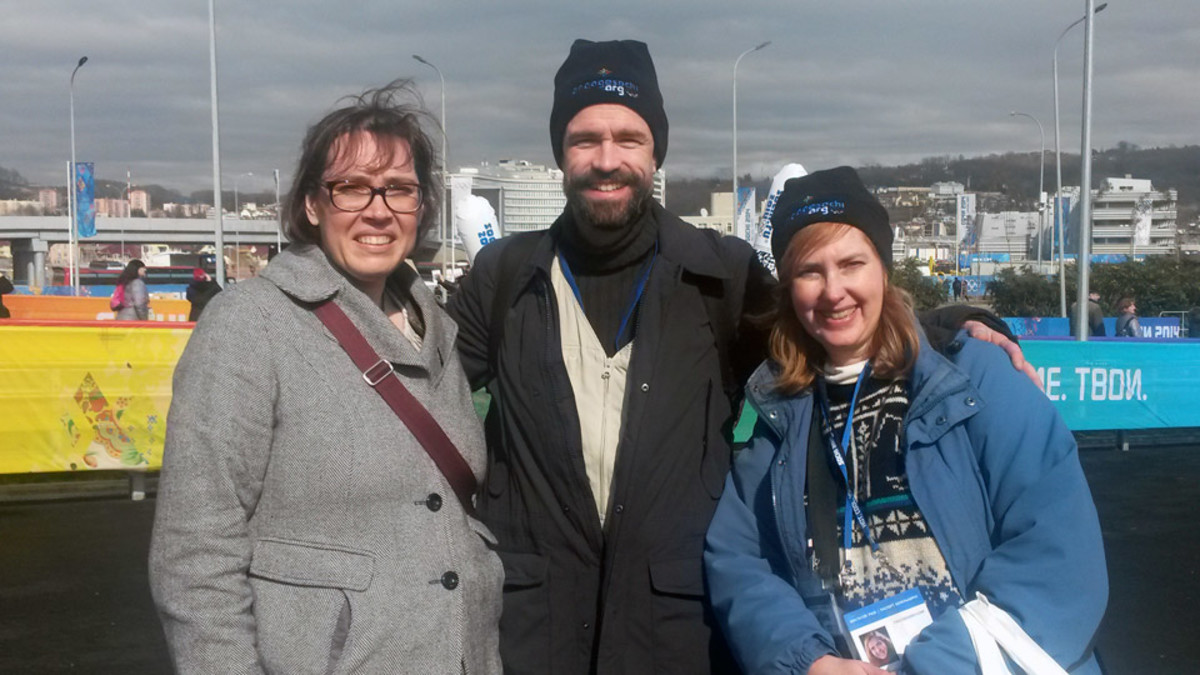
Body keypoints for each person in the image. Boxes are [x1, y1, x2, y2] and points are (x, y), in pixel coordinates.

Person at [448, 40, 1035, 675]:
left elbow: (832, 320)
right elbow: (420, 385)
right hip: (536, 636)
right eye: (585, 139)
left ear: (656, 154)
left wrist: (956, 322)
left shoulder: (719, 276)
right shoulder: (504, 276)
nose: (607, 159)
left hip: (675, 636)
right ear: (561, 152)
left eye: (629, 139)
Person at [149, 80, 503, 674]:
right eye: (352, 188)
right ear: (313, 205)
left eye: (399, 190)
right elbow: (194, 552)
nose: (378, 209)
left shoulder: (438, 326)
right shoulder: (251, 324)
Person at [704, 167, 1107, 674]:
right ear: (788, 287)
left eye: (852, 263)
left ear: (883, 270)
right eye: (810, 271)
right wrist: (808, 662)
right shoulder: (777, 410)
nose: (833, 290)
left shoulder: (978, 379)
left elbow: (1059, 559)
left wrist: (928, 667)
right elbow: (741, 562)